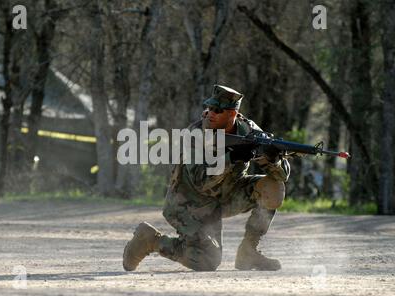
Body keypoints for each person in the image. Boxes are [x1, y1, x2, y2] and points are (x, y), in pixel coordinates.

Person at [123, 85, 290, 271]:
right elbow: (200, 182)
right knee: (207, 261)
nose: (210, 113)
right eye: (209, 108)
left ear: (233, 113)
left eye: (218, 110)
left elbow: (282, 176)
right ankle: (151, 241)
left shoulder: (248, 130)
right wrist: (232, 157)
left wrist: (273, 160)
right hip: (189, 203)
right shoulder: (195, 134)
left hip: (225, 197)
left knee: (273, 188)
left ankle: (248, 252)